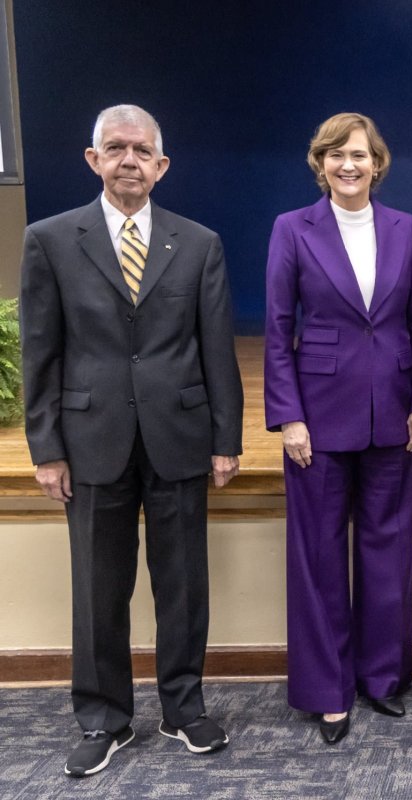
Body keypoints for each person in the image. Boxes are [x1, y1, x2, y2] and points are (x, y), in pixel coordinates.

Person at [19, 104, 244, 777]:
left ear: (162, 165)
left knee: (182, 584)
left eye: (142, 151)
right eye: (115, 149)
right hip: (90, 440)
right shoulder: (51, 240)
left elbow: (215, 350)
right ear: (93, 160)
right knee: (98, 587)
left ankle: (183, 707)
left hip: (178, 436)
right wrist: (46, 446)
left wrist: (225, 438)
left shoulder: (197, 242)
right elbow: (41, 352)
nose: (129, 161)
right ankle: (102, 717)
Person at [264, 112, 412, 744]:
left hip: (395, 417)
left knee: (387, 553)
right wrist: (288, 416)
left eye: (361, 155)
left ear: (377, 164)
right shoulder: (293, 229)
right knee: (316, 559)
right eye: (337, 154)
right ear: (321, 164)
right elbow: (278, 331)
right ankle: (327, 691)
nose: (349, 164)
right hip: (315, 420)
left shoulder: (405, 228)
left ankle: (380, 678)